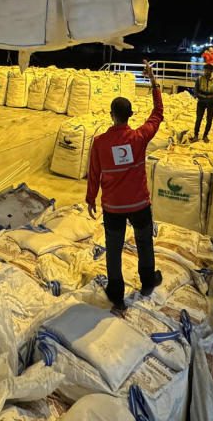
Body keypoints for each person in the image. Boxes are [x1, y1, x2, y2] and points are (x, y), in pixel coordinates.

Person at [86, 60, 164, 311]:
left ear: (111, 114)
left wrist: (90, 199)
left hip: (113, 206)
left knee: (114, 248)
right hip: (140, 203)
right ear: (130, 116)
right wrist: (153, 83)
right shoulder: (140, 137)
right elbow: (157, 114)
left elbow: (94, 173)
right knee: (144, 243)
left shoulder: (99, 142)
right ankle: (148, 281)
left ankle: (116, 292)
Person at [192, 63, 213, 141]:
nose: (206, 72)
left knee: (209, 120)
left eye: (208, 70)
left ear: (211, 71)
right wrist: (202, 97)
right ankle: (196, 135)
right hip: (201, 102)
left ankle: (205, 135)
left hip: (211, 102)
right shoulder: (200, 79)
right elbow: (196, 91)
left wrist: (210, 97)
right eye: (205, 70)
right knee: (199, 118)